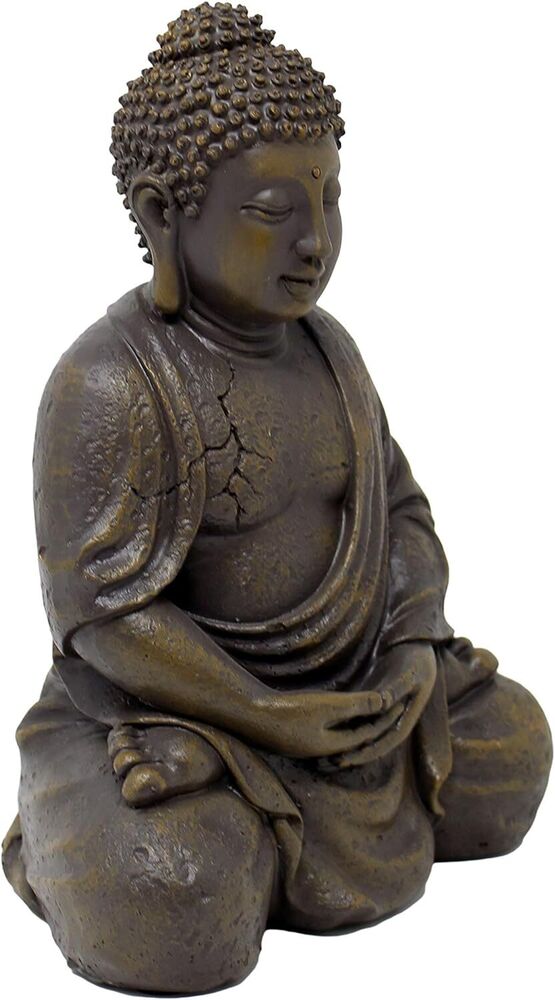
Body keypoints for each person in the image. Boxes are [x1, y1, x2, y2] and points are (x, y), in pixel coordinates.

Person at [3, 4, 551, 995]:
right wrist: (256, 710)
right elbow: (104, 615)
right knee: (174, 895)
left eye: (330, 198)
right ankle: (118, 821)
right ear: (163, 215)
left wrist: (410, 650)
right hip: (175, 710)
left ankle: (261, 800)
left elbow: (401, 517)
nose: (315, 241)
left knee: (512, 745)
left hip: (348, 701)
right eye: (271, 211)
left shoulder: (329, 350)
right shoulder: (110, 383)